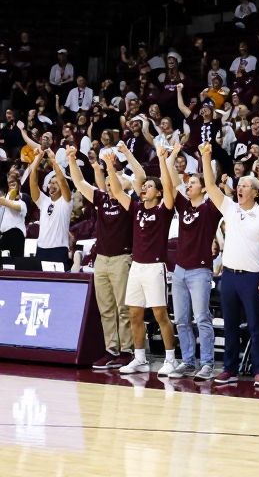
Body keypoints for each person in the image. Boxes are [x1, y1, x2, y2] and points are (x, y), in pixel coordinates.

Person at [199, 142, 259, 386]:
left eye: (244, 185)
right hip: (229, 276)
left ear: (255, 192)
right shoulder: (230, 209)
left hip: (252, 277)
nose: (239, 187)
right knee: (230, 325)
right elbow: (210, 185)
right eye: (239, 184)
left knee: (255, 325)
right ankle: (229, 369)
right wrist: (206, 157)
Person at [101, 144, 178, 377]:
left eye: (149, 186)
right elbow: (117, 192)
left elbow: (169, 187)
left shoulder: (164, 210)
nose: (144, 188)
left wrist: (163, 160)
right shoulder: (135, 208)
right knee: (134, 314)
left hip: (155, 267)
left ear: (158, 192)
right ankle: (140, 359)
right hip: (136, 266)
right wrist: (110, 166)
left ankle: (171, 360)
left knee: (160, 315)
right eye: (143, 186)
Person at [65, 148, 133, 369]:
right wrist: (72, 159)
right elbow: (79, 182)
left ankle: (127, 351)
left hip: (122, 258)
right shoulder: (101, 199)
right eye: (109, 183)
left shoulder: (128, 203)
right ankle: (111, 350)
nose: (111, 185)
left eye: (115, 182)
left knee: (123, 308)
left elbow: (123, 183)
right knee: (106, 308)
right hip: (102, 259)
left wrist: (110, 166)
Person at [164, 146, 222, 380]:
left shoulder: (210, 208)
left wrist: (205, 158)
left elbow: (212, 184)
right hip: (179, 270)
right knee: (181, 319)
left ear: (203, 188)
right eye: (188, 183)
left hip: (200, 271)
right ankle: (188, 362)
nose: (188, 185)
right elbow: (172, 179)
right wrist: (169, 156)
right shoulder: (184, 205)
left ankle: (207, 364)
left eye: (193, 183)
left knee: (202, 318)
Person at [27, 148, 72, 267]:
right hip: (41, 249)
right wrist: (37, 159)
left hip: (59, 250)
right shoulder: (44, 201)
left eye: (55, 183)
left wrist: (53, 160)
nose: (52, 185)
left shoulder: (66, 201)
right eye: (51, 182)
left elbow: (63, 181)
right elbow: (33, 183)